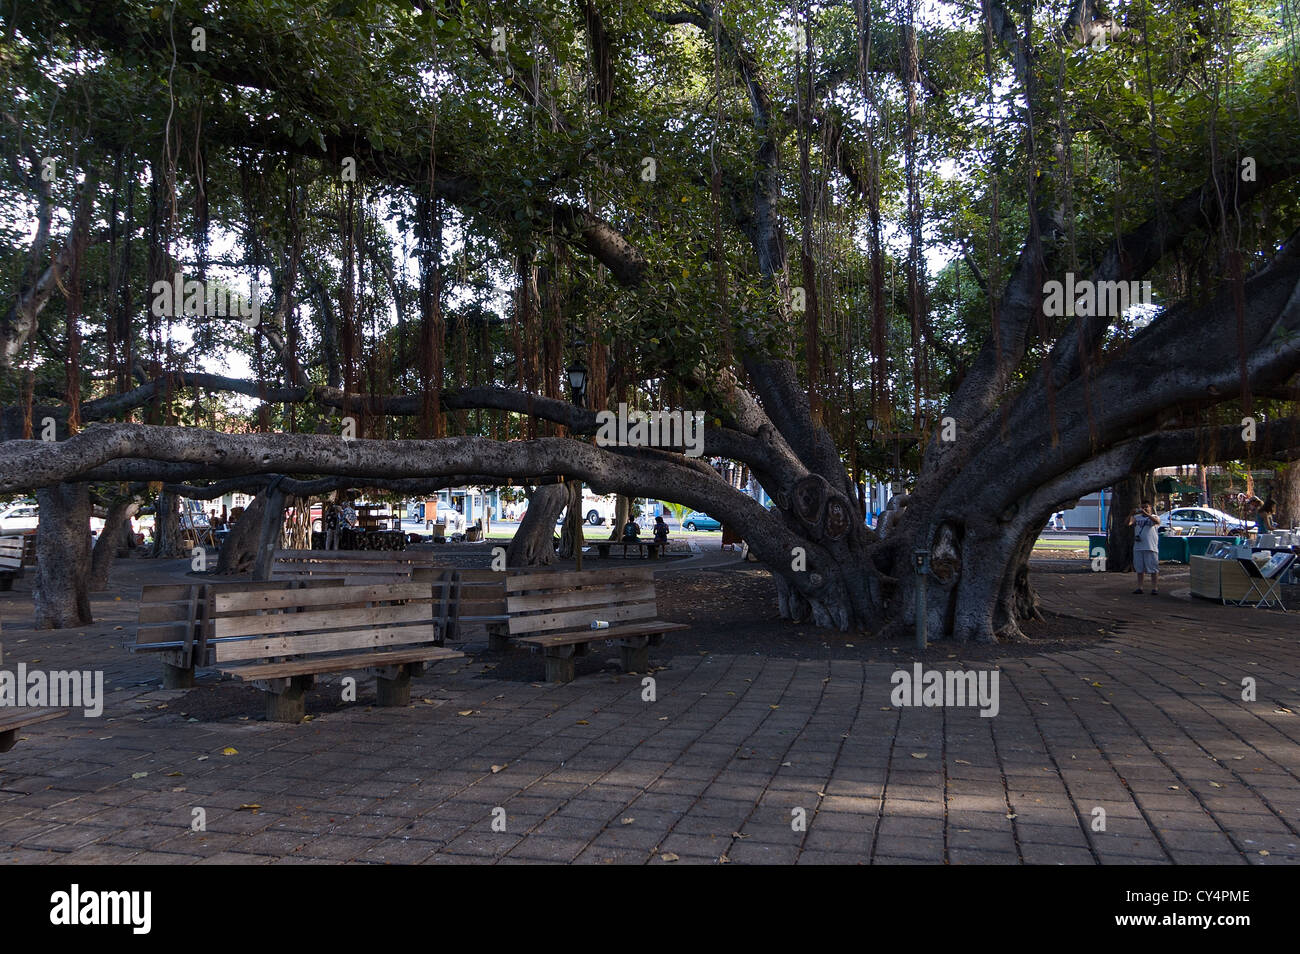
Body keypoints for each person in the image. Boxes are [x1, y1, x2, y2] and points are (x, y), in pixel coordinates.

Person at [1128, 500, 1162, 595]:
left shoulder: (1154, 517)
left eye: (1146, 507)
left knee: (1153, 569)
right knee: (1139, 569)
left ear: (1150, 507)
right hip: (1138, 547)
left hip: (1150, 546)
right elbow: (1128, 523)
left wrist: (1147, 514)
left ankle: (1154, 588)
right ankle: (1140, 587)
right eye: (1142, 507)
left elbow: (1157, 522)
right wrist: (1131, 514)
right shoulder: (1136, 518)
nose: (1144, 509)